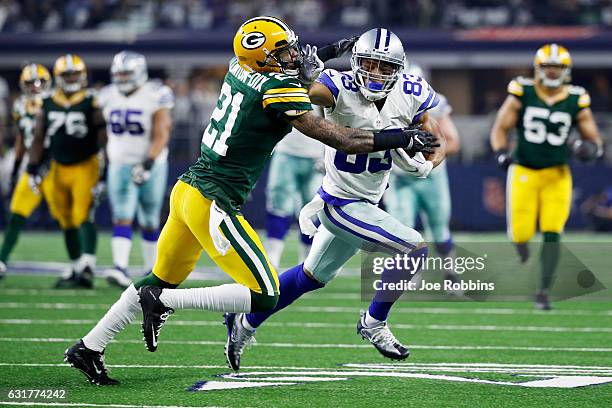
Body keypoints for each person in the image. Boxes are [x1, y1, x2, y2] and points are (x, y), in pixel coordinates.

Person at [63, 16, 438, 386]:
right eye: (283, 51)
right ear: (264, 59)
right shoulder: (278, 90)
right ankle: (164, 304)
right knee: (262, 294)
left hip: (189, 189)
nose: (293, 54)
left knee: (159, 277)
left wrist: (323, 54)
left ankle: (90, 345)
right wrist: (399, 138)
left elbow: (280, 71)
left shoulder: (238, 65)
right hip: (214, 198)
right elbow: (338, 137)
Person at [225, 28, 445, 371]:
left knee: (310, 277)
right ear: (355, 62)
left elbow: (437, 136)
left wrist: (427, 162)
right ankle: (374, 323)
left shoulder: (412, 93)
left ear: (399, 70)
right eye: (369, 64)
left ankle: (244, 321)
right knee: (414, 248)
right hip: (340, 202)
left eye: (385, 67)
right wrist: (313, 67)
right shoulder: (337, 85)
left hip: (365, 203)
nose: (375, 73)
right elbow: (310, 93)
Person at [490, 43, 603, 310]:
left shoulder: (577, 98)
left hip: (557, 174)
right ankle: (521, 247)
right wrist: (501, 153)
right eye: (548, 67)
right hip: (524, 171)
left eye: (558, 67)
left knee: (553, 232)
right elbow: (500, 127)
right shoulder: (523, 91)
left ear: (567, 71)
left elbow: (595, 141)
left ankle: (543, 290)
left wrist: (587, 148)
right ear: (538, 68)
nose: (552, 72)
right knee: (520, 233)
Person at [28, 54, 107, 289]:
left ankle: (88, 266)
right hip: (57, 167)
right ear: (58, 77)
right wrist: (33, 166)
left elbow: (103, 136)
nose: (71, 78)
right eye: (67, 74)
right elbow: (39, 136)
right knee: (64, 217)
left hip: (86, 164)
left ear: (82, 75)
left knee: (83, 214)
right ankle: (75, 267)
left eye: (74, 74)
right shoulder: (47, 101)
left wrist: (105, 168)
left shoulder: (92, 100)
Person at [98, 51, 174, 288]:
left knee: (150, 218)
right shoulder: (106, 95)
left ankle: (152, 270)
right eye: (118, 74)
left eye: (126, 73)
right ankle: (120, 267)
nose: (121, 78)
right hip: (120, 163)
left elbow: (163, 132)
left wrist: (148, 163)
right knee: (122, 214)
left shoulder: (155, 94)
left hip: (153, 163)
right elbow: (99, 131)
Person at [385, 63, 460, 285]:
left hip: (431, 176)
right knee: (402, 228)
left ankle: (451, 273)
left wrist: (429, 157)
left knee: (438, 227)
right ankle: (410, 273)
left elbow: (453, 142)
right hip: (400, 178)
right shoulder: (383, 104)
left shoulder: (433, 106)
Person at [0, 64, 52, 278]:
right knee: (18, 210)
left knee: (72, 218)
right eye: (31, 82)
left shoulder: (55, 102)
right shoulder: (21, 105)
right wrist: (15, 167)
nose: (36, 86)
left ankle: (81, 265)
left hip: (56, 166)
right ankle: (2, 259)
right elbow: (22, 138)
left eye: (40, 81)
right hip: (31, 166)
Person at [264, 111, 324, 269]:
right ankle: (272, 258)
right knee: (278, 203)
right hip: (286, 149)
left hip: (316, 153)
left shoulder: (325, 86)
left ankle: (307, 260)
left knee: (312, 209)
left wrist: (328, 153)